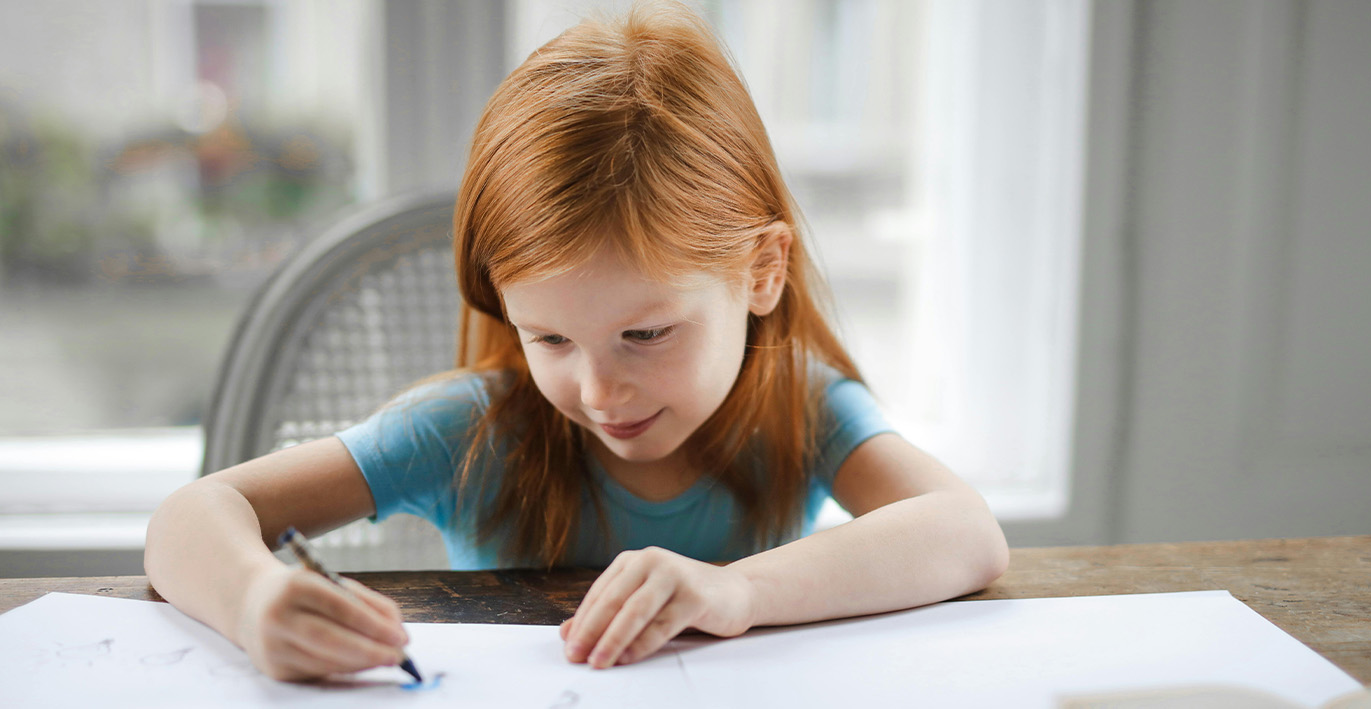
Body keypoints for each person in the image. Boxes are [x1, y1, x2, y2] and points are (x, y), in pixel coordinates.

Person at [144, 0, 1009, 682]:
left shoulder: (802, 403)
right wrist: (254, 599)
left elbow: (965, 532)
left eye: (644, 332)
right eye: (548, 336)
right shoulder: (467, 429)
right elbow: (191, 516)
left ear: (761, 271)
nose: (597, 390)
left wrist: (738, 588)